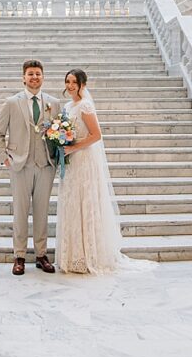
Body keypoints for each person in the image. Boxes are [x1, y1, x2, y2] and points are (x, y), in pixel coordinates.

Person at [55, 69, 154, 274]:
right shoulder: (66, 106)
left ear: (83, 84)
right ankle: (72, 256)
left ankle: (89, 256)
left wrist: (73, 147)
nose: (70, 85)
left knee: (85, 202)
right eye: (68, 81)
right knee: (72, 202)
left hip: (84, 159)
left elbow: (96, 135)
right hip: (72, 161)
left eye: (74, 82)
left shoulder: (85, 105)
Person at [0, 60, 60, 276]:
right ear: (23, 77)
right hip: (20, 165)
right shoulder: (12, 103)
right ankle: (19, 256)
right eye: (30, 74)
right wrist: (5, 158)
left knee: (42, 212)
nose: (34, 77)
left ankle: (41, 255)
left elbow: (58, 131)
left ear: (43, 77)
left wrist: (56, 158)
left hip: (45, 165)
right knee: (20, 212)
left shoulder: (53, 103)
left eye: (38, 74)